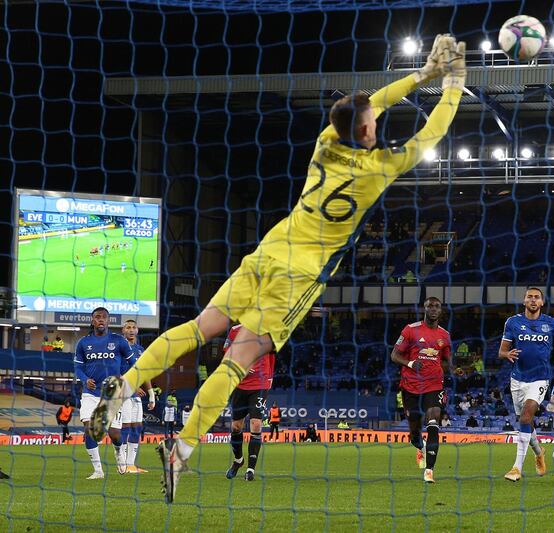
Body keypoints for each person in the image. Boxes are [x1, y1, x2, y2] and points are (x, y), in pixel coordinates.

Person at [88, 33, 467, 503]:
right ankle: (181, 452)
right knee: (237, 361)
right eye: (371, 118)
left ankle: (124, 386)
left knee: (200, 326)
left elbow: (369, 104)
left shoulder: (327, 142)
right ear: (369, 130)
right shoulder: (380, 168)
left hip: (270, 249)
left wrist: (422, 73)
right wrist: (452, 81)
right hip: (299, 275)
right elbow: (430, 133)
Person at [499, 287, 554, 482]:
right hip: (517, 379)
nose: (533, 300)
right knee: (525, 422)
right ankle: (539, 452)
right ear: (524, 301)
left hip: (540, 378)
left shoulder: (551, 323)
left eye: (536, 297)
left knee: (526, 416)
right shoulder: (513, 322)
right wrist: (507, 354)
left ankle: (516, 468)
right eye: (529, 297)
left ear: (542, 302)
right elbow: (502, 351)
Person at [390, 296, 457, 484]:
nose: (434, 309)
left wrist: (454, 368)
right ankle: (418, 444)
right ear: (424, 309)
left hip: (434, 384)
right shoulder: (411, 330)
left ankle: (429, 470)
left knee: (433, 419)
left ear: (441, 311)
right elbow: (394, 355)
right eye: (430, 306)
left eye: (437, 306)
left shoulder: (444, 335)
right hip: (411, 385)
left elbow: (448, 358)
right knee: (414, 430)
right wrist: (410, 362)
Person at [73, 307, 134, 479]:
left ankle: (118, 451)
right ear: (93, 321)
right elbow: (78, 367)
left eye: (104, 317)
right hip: (90, 393)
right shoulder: (83, 343)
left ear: (108, 321)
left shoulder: (119, 341)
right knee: (89, 428)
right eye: (97, 317)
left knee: (114, 434)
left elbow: (133, 364)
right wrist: (85, 379)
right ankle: (98, 471)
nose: (101, 320)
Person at [224, 324, 276, 481]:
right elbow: (227, 353)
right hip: (240, 385)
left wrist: (269, 377)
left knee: (256, 425)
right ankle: (238, 461)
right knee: (236, 426)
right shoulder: (235, 331)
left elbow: (273, 355)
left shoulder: (270, 330)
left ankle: (251, 469)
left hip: (260, 384)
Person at [120, 320, 156, 474]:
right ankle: (121, 464)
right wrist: (134, 386)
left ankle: (131, 465)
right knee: (125, 428)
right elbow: (117, 372)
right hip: (123, 393)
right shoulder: (119, 348)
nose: (131, 330)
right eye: (128, 327)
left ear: (138, 330)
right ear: (123, 330)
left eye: (134, 327)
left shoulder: (141, 350)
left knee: (137, 428)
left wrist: (151, 393)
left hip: (137, 395)